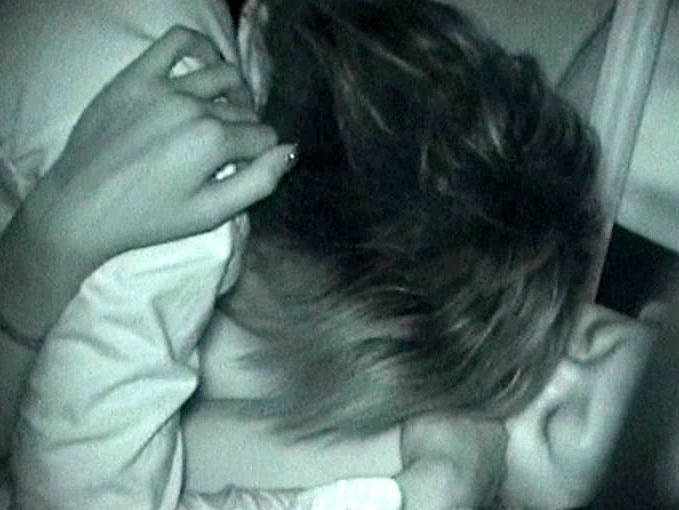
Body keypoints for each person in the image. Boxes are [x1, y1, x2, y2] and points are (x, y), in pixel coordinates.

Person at [0, 0, 657, 508]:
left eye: (555, 421)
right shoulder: (192, 221)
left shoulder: (420, 377)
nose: (538, 377)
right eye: (588, 342)